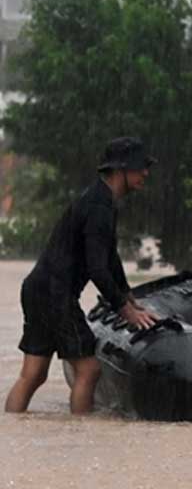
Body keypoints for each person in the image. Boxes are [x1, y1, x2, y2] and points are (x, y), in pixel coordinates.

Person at [5, 137, 159, 415]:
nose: (145, 173)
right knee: (89, 369)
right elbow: (97, 268)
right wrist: (125, 310)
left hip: (37, 288)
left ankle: (11, 431)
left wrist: (127, 295)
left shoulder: (100, 199)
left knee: (33, 374)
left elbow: (109, 258)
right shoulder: (99, 206)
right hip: (55, 293)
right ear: (119, 169)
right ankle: (82, 435)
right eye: (140, 167)